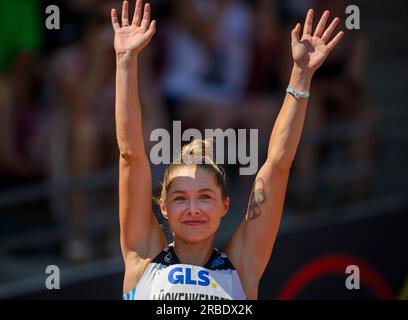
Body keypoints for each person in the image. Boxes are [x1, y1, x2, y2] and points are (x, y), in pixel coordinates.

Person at [111, 0, 343, 300]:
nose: (193, 208)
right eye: (180, 198)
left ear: (224, 205)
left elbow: (277, 165)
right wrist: (125, 60)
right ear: (164, 208)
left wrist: (301, 74)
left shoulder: (242, 266)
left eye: (205, 197)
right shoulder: (143, 257)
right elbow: (130, 154)